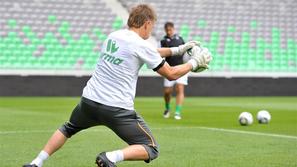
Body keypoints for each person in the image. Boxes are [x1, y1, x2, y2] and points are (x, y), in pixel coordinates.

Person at [23, 4, 210, 167]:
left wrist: (177, 50)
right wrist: (194, 63)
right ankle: (110, 157)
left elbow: (147, 51)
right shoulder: (140, 44)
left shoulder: (113, 36)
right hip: (116, 109)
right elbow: (171, 73)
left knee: (67, 128)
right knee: (151, 148)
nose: (150, 32)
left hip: (89, 101)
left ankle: (36, 162)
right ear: (146, 24)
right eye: (151, 27)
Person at [160, 22, 188, 120]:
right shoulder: (163, 41)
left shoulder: (180, 39)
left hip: (181, 67)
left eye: (170, 29)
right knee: (167, 91)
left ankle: (177, 112)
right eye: (167, 30)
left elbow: (186, 52)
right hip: (169, 68)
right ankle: (167, 108)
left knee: (180, 89)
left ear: (173, 29)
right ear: (165, 30)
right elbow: (160, 54)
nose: (169, 31)